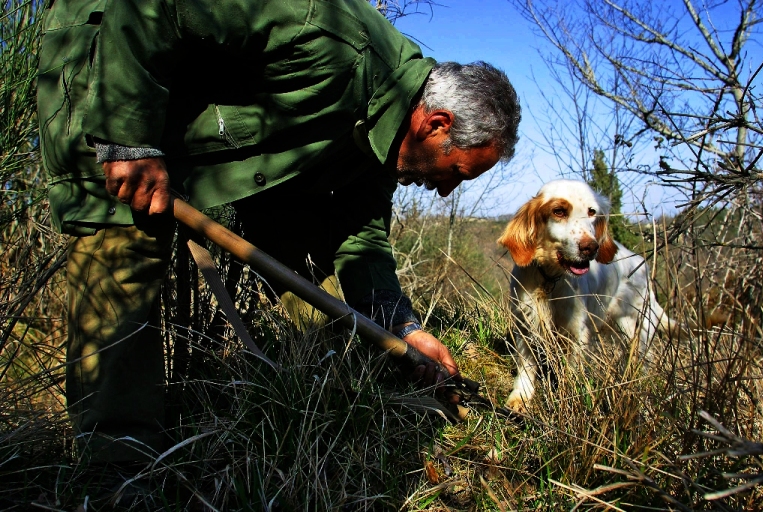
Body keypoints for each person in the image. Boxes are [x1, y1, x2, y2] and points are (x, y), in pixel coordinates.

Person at [37, 0, 521, 468]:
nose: (443, 192)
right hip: (111, 65)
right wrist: (128, 135)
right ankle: (116, 469)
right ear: (436, 124)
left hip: (200, 126)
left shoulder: (386, 131)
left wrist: (404, 328)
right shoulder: (318, 29)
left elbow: (362, 235)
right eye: (454, 172)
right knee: (124, 243)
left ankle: (319, 402)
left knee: (309, 251)